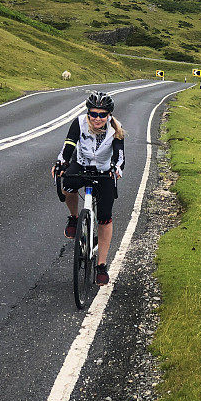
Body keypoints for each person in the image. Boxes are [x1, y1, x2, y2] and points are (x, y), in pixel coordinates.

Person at [51, 91, 125, 286]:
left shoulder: (115, 129)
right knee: (67, 183)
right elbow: (69, 144)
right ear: (88, 113)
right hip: (81, 165)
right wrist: (61, 162)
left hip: (104, 171)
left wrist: (116, 169)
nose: (97, 118)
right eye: (93, 113)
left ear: (108, 115)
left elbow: (119, 155)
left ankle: (101, 265)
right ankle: (74, 218)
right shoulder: (79, 123)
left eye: (102, 114)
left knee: (105, 218)